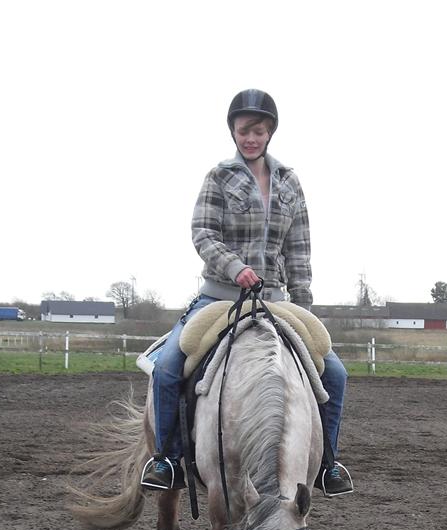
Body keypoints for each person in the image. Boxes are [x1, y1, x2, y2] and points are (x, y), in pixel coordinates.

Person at [140, 88, 354, 497]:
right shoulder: (219, 177)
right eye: (243, 131)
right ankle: (166, 460)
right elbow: (202, 233)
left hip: (275, 301)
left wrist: (304, 309)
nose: (250, 138)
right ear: (234, 133)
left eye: (257, 131)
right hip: (220, 297)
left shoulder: (290, 182)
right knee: (168, 367)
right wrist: (235, 269)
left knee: (336, 373)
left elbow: (298, 249)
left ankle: (328, 464)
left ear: (269, 132)